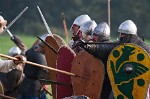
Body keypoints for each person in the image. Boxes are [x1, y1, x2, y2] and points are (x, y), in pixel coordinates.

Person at [77, 20, 150, 99]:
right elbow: (103, 49)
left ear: (130, 35)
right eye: (120, 33)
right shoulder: (119, 46)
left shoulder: (143, 48)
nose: (121, 36)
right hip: (121, 83)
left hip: (140, 84)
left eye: (123, 34)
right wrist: (88, 47)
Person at [18, 34, 49, 99]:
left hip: (35, 87)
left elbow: (26, 53)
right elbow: (43, 70)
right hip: (32, 89)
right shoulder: (38, 53)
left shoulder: (34, 49)